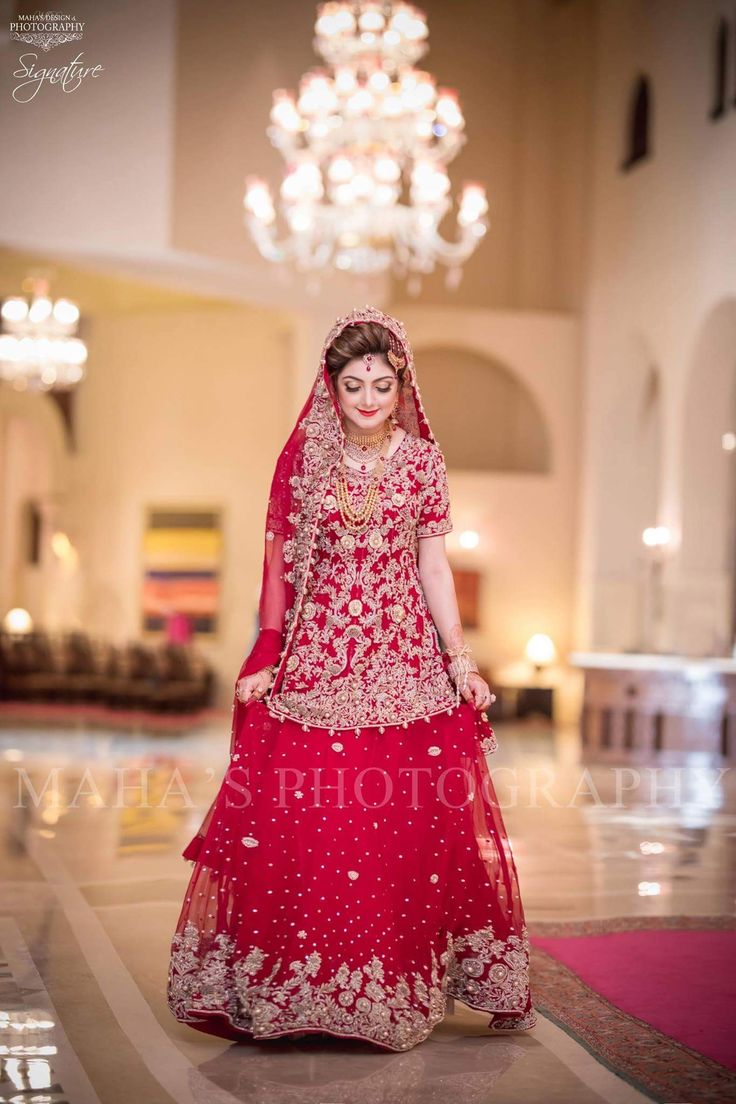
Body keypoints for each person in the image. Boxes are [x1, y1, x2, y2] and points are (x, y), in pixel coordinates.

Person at [166, 305, 537, 1052]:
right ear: (331, 389)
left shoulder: (423, 462)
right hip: (317, 663)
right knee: (312, 826)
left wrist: (459, 659)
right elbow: (281, 563)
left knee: (396, 830)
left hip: (403, 666)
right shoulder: (307, 461)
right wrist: (269, 654)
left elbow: (434, 564)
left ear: (403, 386)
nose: (368, 400)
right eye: (353, 386)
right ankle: (295, 989)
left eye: (382, 385)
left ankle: (388, 991)